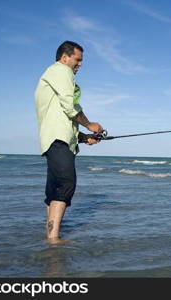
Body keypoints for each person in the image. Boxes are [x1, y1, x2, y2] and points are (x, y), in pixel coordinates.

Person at [35, 41, 103, 244]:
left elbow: (61, 118)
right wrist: (90, 125)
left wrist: (83, 137)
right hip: (58, 140)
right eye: (78, 59)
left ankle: (50, 236)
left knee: (54, 188)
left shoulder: (53, 76)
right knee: (66, 184)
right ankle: (54, 239)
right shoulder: (61, 71)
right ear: (65, 58)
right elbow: (69, 105)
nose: (80, 64)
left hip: (56, 139)